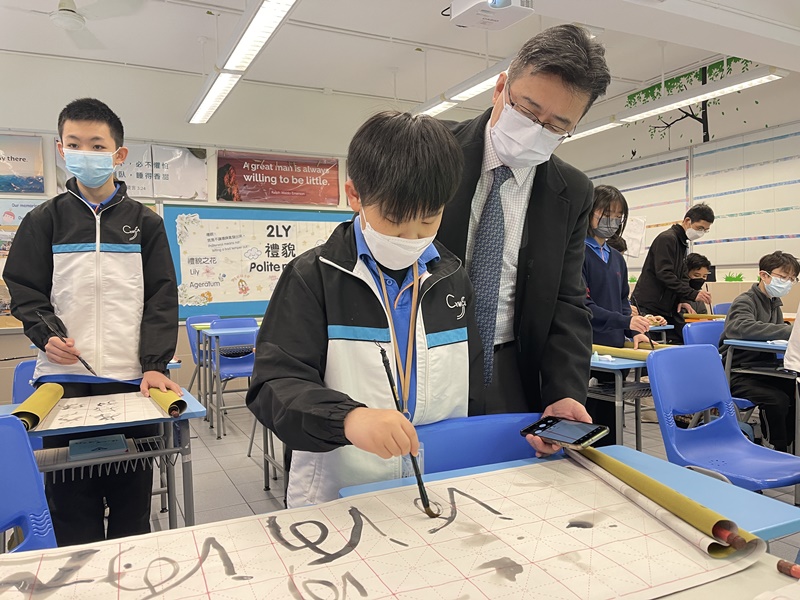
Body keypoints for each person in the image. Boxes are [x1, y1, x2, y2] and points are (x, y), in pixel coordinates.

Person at [246, 111, 482, 508]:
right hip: (338, 493)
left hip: (437, 486)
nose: (412, 237)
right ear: (355, 195)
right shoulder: (313, 276)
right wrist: (348, 419)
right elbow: (273, 386)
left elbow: (471, 385)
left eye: (428, 220)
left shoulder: (452, 278)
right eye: (394, 220)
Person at [4, 98, 181, 546]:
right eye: (75, 143)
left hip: (130, 382)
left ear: (119, 154)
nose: (85, 152)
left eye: (97, 145)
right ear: (61, 149)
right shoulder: (45, 219)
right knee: (70, 507)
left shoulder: (146, 224)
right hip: (64, 383)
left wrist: (154, 363)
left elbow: (162, 297)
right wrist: (46, 335)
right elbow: (24, 287)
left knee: (131, 508)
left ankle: (131, 575)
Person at [437, 24, 612, 451]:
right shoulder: (432, 151)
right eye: (528, 111)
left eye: (556, 126)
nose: (536, 130)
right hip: (426, 361)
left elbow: (567, 300)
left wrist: (565, 390)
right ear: (501, 88)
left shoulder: (573, 192)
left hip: (510, 366)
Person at [582, 185, 652, 445]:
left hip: (614, 350)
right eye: (605, 214)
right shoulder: (577, 253)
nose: (612, 221)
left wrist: (634, 331)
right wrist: (625, 321)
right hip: (587, 349)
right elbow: (584, 305)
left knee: (609, 424)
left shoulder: (616, 258)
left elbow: (623, 301)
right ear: (589, 212)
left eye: (617, 216)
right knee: (586, 422)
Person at [719, 251, 800, 452]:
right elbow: (738, 327)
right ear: (764, 275)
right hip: (736, 372)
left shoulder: (774, 304)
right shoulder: (746, 300)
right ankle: (775, 448)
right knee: (776, 399)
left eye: (792, 279)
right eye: (783, 277)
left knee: (795, 389)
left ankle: (791, 445)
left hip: (761, 369)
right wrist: (791, 331)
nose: (788, 283)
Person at [631, 203, 715, 343]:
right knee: (651, 345)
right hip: (649, 304)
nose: (701, 233)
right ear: (687, 221)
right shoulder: (667, 239)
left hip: (666, 306)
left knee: (681, 338)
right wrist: (693, 294)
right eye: (699, 228)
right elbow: (665, 274)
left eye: (705, 230)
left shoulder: (682, 243)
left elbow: (682, 275)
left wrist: (683, 299)